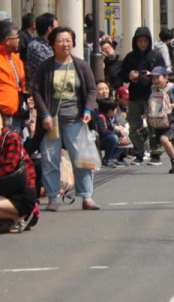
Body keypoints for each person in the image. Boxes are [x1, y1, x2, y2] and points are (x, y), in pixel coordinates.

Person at [31, 27, 99, 210]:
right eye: (60, 40)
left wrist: (88, 109)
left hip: (76, 120)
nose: (65, 44)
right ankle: (52, 198)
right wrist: (44, 113)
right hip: (51, 123)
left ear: (73, 42)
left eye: (68, 40)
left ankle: (86, 196)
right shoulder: (45, 67)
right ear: (53, 44)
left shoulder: (81, 65)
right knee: (50, 159)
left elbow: (92, 89)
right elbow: (36, 91)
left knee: (82, 159)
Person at [120, 26, 170, 164]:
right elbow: (122, 75)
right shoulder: (130, 57)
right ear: (135, 42)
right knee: (134, 125)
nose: (142, 43)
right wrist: (130, 76)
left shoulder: (156, 56)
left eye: (145, 41)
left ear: (149, 41)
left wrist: (151, 75)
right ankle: (138, 153)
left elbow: (164, 73)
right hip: (135, 95)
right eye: (139, 41)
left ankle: (155, 153)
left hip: (153, 95)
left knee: (154, 124)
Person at [143, 67, 174, 173]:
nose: (155, 80)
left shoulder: (172, 88)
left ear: (166, 78)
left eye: (158, 77)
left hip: (172, 119)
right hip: (158, 120)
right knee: (164, 141)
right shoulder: (153, 88)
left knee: (164, 140)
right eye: (153, 78)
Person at [0, 122, 39, 233]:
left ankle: (27, 213)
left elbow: (8, 168)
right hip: (5, 192)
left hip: (22, 193)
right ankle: (18, 219)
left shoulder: (11, 137)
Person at [0, 20, 26, 132]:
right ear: (7, 40)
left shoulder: (16, 59)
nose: (19, 40)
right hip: (3, 115)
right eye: (16, 37)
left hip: (17, 113)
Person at [95, 98, 125, 167]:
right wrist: (118, 133)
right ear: (110, 110)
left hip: (104, 139)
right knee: (113, 137)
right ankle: (107, 159)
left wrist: (119, 130)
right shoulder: (99, 117)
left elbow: (110, 126)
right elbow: (102, 132)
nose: (116, 111)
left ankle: (114, 158)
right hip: (98, 141)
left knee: (123, 138)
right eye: (115, 109)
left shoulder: (107, 116)